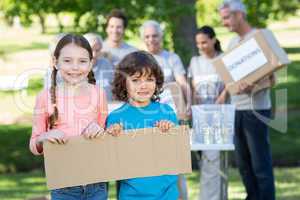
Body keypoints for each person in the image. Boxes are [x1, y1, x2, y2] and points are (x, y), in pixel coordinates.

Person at [30, 34, 108, 200]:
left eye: (82, 61)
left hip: (97, 184)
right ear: (55, 62)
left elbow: (106, 136)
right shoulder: (44, 97)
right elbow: (34, 144)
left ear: (90, 63)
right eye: (67, 61)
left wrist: (101, 130)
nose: (75, 67)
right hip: (63, 185)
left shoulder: (99, 94)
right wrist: (45, 136)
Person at [219, 1, 276, 199]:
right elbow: (230, 80)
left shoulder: (260, 37)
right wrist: (222, 97)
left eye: (226, 17)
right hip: (236, 110)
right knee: (243, 165)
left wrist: (254, 87)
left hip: (257, 111)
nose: (224, 23)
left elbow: (272, 79)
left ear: (239, 15)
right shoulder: (232, 44)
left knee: (260, 164)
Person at [106, 51, 179, 199]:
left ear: (156, 82)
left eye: (149, 79)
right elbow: (111, 161)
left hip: (167, 195)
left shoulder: (167, 112)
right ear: (123, 82)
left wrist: (171, 132)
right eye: (136, 80)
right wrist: (112, 135)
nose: (143, 85)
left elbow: (178, 152)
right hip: (131, 195)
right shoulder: (116, 118)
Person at [140, 19, 191, 200]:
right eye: (147, 36)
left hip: (172, 119)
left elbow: (182, 84)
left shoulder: (172, 58)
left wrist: (187, 106)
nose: (151, 40)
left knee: (175, 167)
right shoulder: (139, 59)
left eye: (154, 36)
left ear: (161, 37)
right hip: (145, 119)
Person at [188, 25, 228, 200]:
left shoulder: (223, 59)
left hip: (221, 115)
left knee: (218, 160)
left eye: (204, 42)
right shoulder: (195, 62)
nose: (201, 46)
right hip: (201, 116)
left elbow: (229, 83)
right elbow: (192, 86)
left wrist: (223, 96)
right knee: (207, 160)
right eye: (198, 43)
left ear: (213, 40)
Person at [84, 33, 115, 101]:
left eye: (97, 50)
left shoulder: (106, 64)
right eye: (91, 50)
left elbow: (115, 87)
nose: (94, 54)